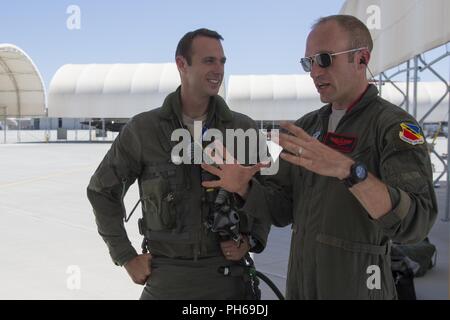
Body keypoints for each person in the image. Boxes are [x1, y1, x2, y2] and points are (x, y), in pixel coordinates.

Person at [201, 15, 438, 299]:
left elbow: (417, 223)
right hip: (303, 285)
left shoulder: (393, 127)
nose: (314, 72)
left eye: (324, 59)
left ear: (361, 59)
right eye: (308, 62)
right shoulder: (306, 128)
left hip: (360, 286)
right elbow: (281, 210)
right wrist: (245, 187)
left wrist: (351, 172)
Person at [87, 28, 270, 300]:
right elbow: (102, 191)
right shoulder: (144, 130)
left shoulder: (243, 129)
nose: (218, 69)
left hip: (228, 277)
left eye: (222, 62)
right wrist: (126, 256)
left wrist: (251, 239)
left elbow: (272, 195)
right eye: (209, 61)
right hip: (166, 277)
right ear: (181, 64)